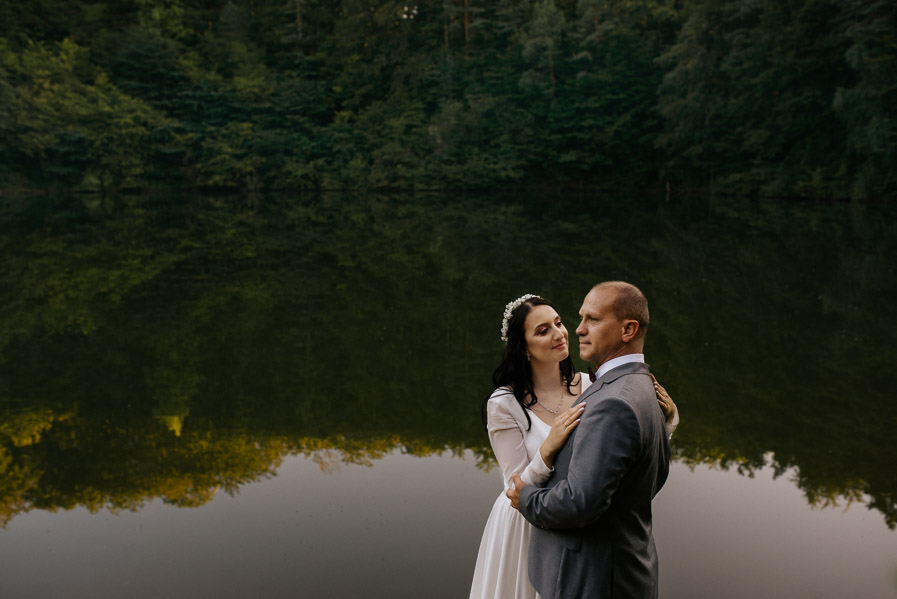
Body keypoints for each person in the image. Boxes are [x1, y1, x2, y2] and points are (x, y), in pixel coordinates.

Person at [470, 293, 678, 599]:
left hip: (575, 520)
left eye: (557, 323)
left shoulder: (593, 385)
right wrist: (547, 450)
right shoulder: (504, 404)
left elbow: (623, 457)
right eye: (542, 331)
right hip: (525, 521)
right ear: (523, 348)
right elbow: (514, 488)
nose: (559, 333)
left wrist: (667, 423)